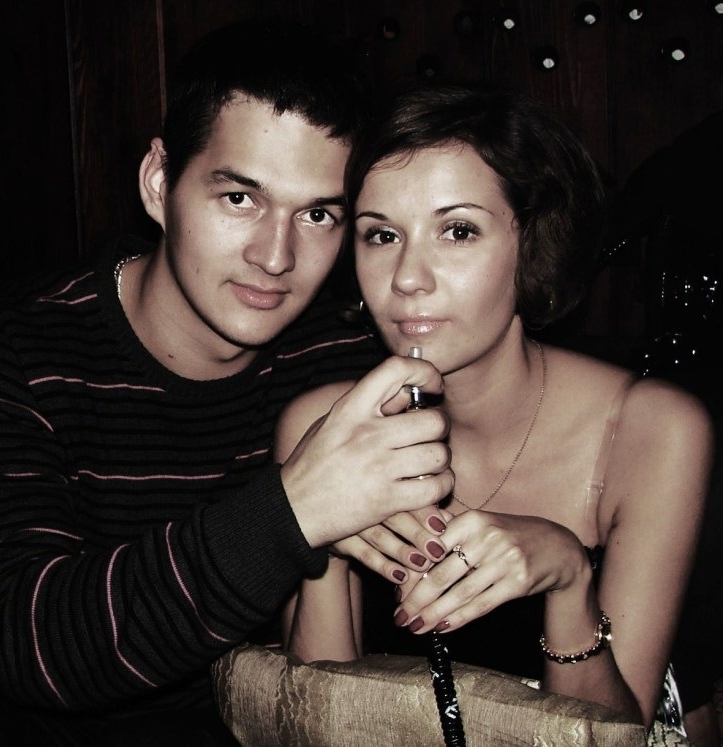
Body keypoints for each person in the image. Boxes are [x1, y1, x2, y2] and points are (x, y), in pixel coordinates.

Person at [0, 18, 453, 747]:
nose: (276, 256)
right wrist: (297, 508)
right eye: (240, 198)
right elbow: (33, 645)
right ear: (159, 183)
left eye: (317, 214)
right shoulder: (12, 349)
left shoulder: (348, 357)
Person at [277, 83, 714, 740]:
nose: (407, 277)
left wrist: (569, 580)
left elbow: (615, 733)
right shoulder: (321, 426)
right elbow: (316, 725)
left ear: (532, 246)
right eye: (381, 235)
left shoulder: (651, 430)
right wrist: (320, 545)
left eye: (457, 231)